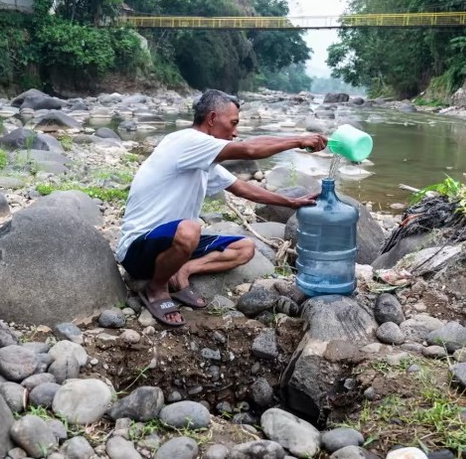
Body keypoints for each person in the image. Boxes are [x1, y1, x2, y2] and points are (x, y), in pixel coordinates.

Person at [115, 89, 327, 326]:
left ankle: (181, 270)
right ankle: (156, 288)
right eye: (233, 123)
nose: (235, 132)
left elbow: (242, 189)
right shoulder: (188, 142)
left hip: (172, 244)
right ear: (213, 118)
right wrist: (298, 140)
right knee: (189, 230)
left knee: (245, 248)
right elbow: (249, 150)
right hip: (138, 249)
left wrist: (291, 202)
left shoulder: (203, 158)